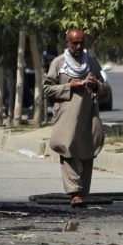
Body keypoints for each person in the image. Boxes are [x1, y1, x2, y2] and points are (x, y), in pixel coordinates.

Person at [44, 28, 105, 207]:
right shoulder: (59, 63)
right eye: (74, 43)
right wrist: (69, 86)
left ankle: (82, 191)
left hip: (87, 115)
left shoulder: (91, 63)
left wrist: (95, 85)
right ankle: (74, 192)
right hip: (67, 115)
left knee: (87, 150)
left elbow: (101, 85)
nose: (78, 46)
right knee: (67, 147)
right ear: (67, 43)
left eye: (81, 43)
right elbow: (48, 88)